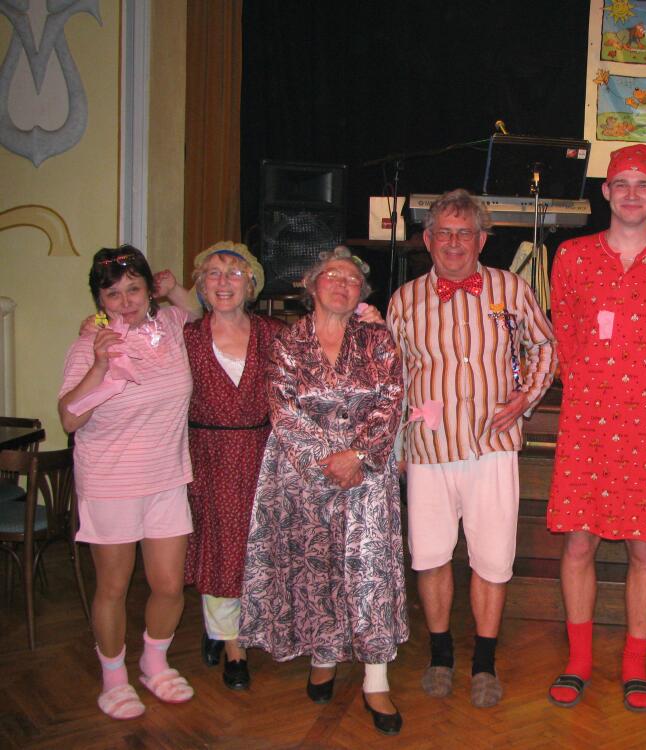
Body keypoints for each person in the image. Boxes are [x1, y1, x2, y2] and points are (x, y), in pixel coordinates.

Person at [545, 144, 646, 712]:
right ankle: (579, 660)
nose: (632, 193)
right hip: (586, 420)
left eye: (643, 184)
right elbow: (564, 334)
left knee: (644, 549)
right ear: (606, 192)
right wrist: (593, 387)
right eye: (622, 184)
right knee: (579, 542)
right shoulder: (573, 256)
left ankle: (635, 663)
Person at [386, 189, 557, 708]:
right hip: (428, 450)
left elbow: (545, 346)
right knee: (430, 555)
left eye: (465, 233)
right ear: (427, 239)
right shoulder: (404, 301)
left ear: (482, 240)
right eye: (444, 232)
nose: (454, 242)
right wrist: (396, 444)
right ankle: (440, 655)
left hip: (493, 447)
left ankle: (484, 661)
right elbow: (391, 378)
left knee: (493, 559)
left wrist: (525, 398)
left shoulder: (511, 288)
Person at [239, 247, 407, 736]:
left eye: (352, 279)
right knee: (317, 566)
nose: (341, 283)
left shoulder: (376, 338)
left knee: (370, 570)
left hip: (366, 473)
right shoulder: (287, 341)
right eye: (332, 275)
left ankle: (376, 679)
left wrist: (357, 456)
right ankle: (324, 655)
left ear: (362, 294)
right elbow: (283, 408)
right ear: (311, 286)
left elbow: (390, 399)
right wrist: (326, 462)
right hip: (302, 474)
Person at [58, 245, 195, 720]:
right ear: (99, 301)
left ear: (148, 290)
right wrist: (99, 365)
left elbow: (198, 309)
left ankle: (154, 663)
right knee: (113, 587)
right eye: (112, 294)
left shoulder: (171, 326)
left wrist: (173, 288)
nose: (125, 301)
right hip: (111, 482)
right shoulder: (88, 345)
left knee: (170, 585)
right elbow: (69, 419)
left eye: (134, 289)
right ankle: (113, 677)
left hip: (167, 478)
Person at [173, 242, 284, 692]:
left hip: (262, 451)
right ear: (200, 285)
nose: (223, 282)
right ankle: (232, 645)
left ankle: (231, 627)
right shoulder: (185, 338)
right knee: (220, 547)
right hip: (208, 453)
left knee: (257, 547)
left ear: (251, 284)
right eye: (213, 274)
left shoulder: (275, 333)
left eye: (234, 273)